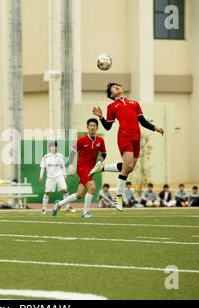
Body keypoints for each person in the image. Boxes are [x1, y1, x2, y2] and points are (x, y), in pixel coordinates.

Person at [90, 83, 164, 211]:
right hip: (124, 136)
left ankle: (102, 168)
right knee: (128, 166)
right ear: (111, 94)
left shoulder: (134, 103)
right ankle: (118, 197)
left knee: (129, 168)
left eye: (118, 85)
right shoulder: (112, 106)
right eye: (113, 87)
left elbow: (142, 121)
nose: (117, 87)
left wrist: (155, 128)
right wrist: (101, 117)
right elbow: (108, 127)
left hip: (136, 136)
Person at [52, 118, 107, 218]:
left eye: (94, 126)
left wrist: (101, 158)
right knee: (92, 188)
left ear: (97, 128)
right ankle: (85, 213)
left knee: (80, 194)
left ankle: (59, 204)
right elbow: (73, 150)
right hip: (82, 168)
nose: (92, 127)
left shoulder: (100, 141)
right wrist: (71, 165)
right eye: (90, 125)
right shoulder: (82, 140)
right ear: (87, 127)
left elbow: (104, 153)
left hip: (92, 170)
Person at [39, 141, 75, 214]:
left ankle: (67, 207)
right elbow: (43, 167)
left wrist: (65, 176)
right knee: (47, 193)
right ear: (50, 148)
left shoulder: (60, 156)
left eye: (55, 146)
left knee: (65, 191)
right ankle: (44, 208)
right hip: (50, 177)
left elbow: (63, 167)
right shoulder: (46, 156)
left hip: (59, 176)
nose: (53, 148)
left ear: (57, 147)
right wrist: (41, 176)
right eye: (52, 146)